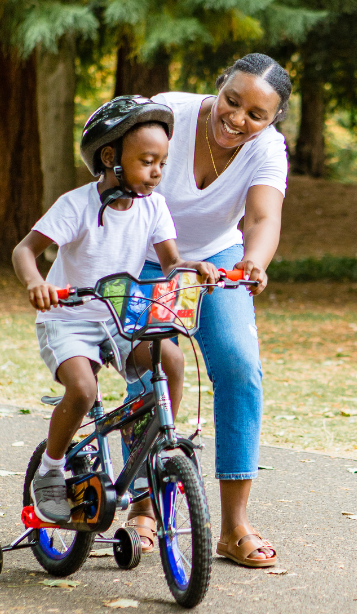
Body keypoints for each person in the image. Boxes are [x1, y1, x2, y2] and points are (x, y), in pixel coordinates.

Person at [12, 96, 219, 524]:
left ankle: (159, 443)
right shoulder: (77, 205)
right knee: (84, 391)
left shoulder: (154, 206)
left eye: (162, 162)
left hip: (120, 319)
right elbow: (25, 250)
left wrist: (193, 266)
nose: (157, 172)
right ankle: (50, 469)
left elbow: (169, 261)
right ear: (111, 158)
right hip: (69, 318)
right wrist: (37, 284)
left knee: (173, 360)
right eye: (147, 161)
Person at [124, 53, 292, 567]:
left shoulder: (267, 151)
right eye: (232, 101)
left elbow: (263, 216)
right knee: (152, 365)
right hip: (142, 252)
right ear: (218, 88)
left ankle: (234, 526)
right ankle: (145, 510)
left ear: (272, 121)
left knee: (240, 366)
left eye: (256, 115)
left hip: (215, 259)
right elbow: (114, 174)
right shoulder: (165, 116)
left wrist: (254, 262)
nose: (237, 118)